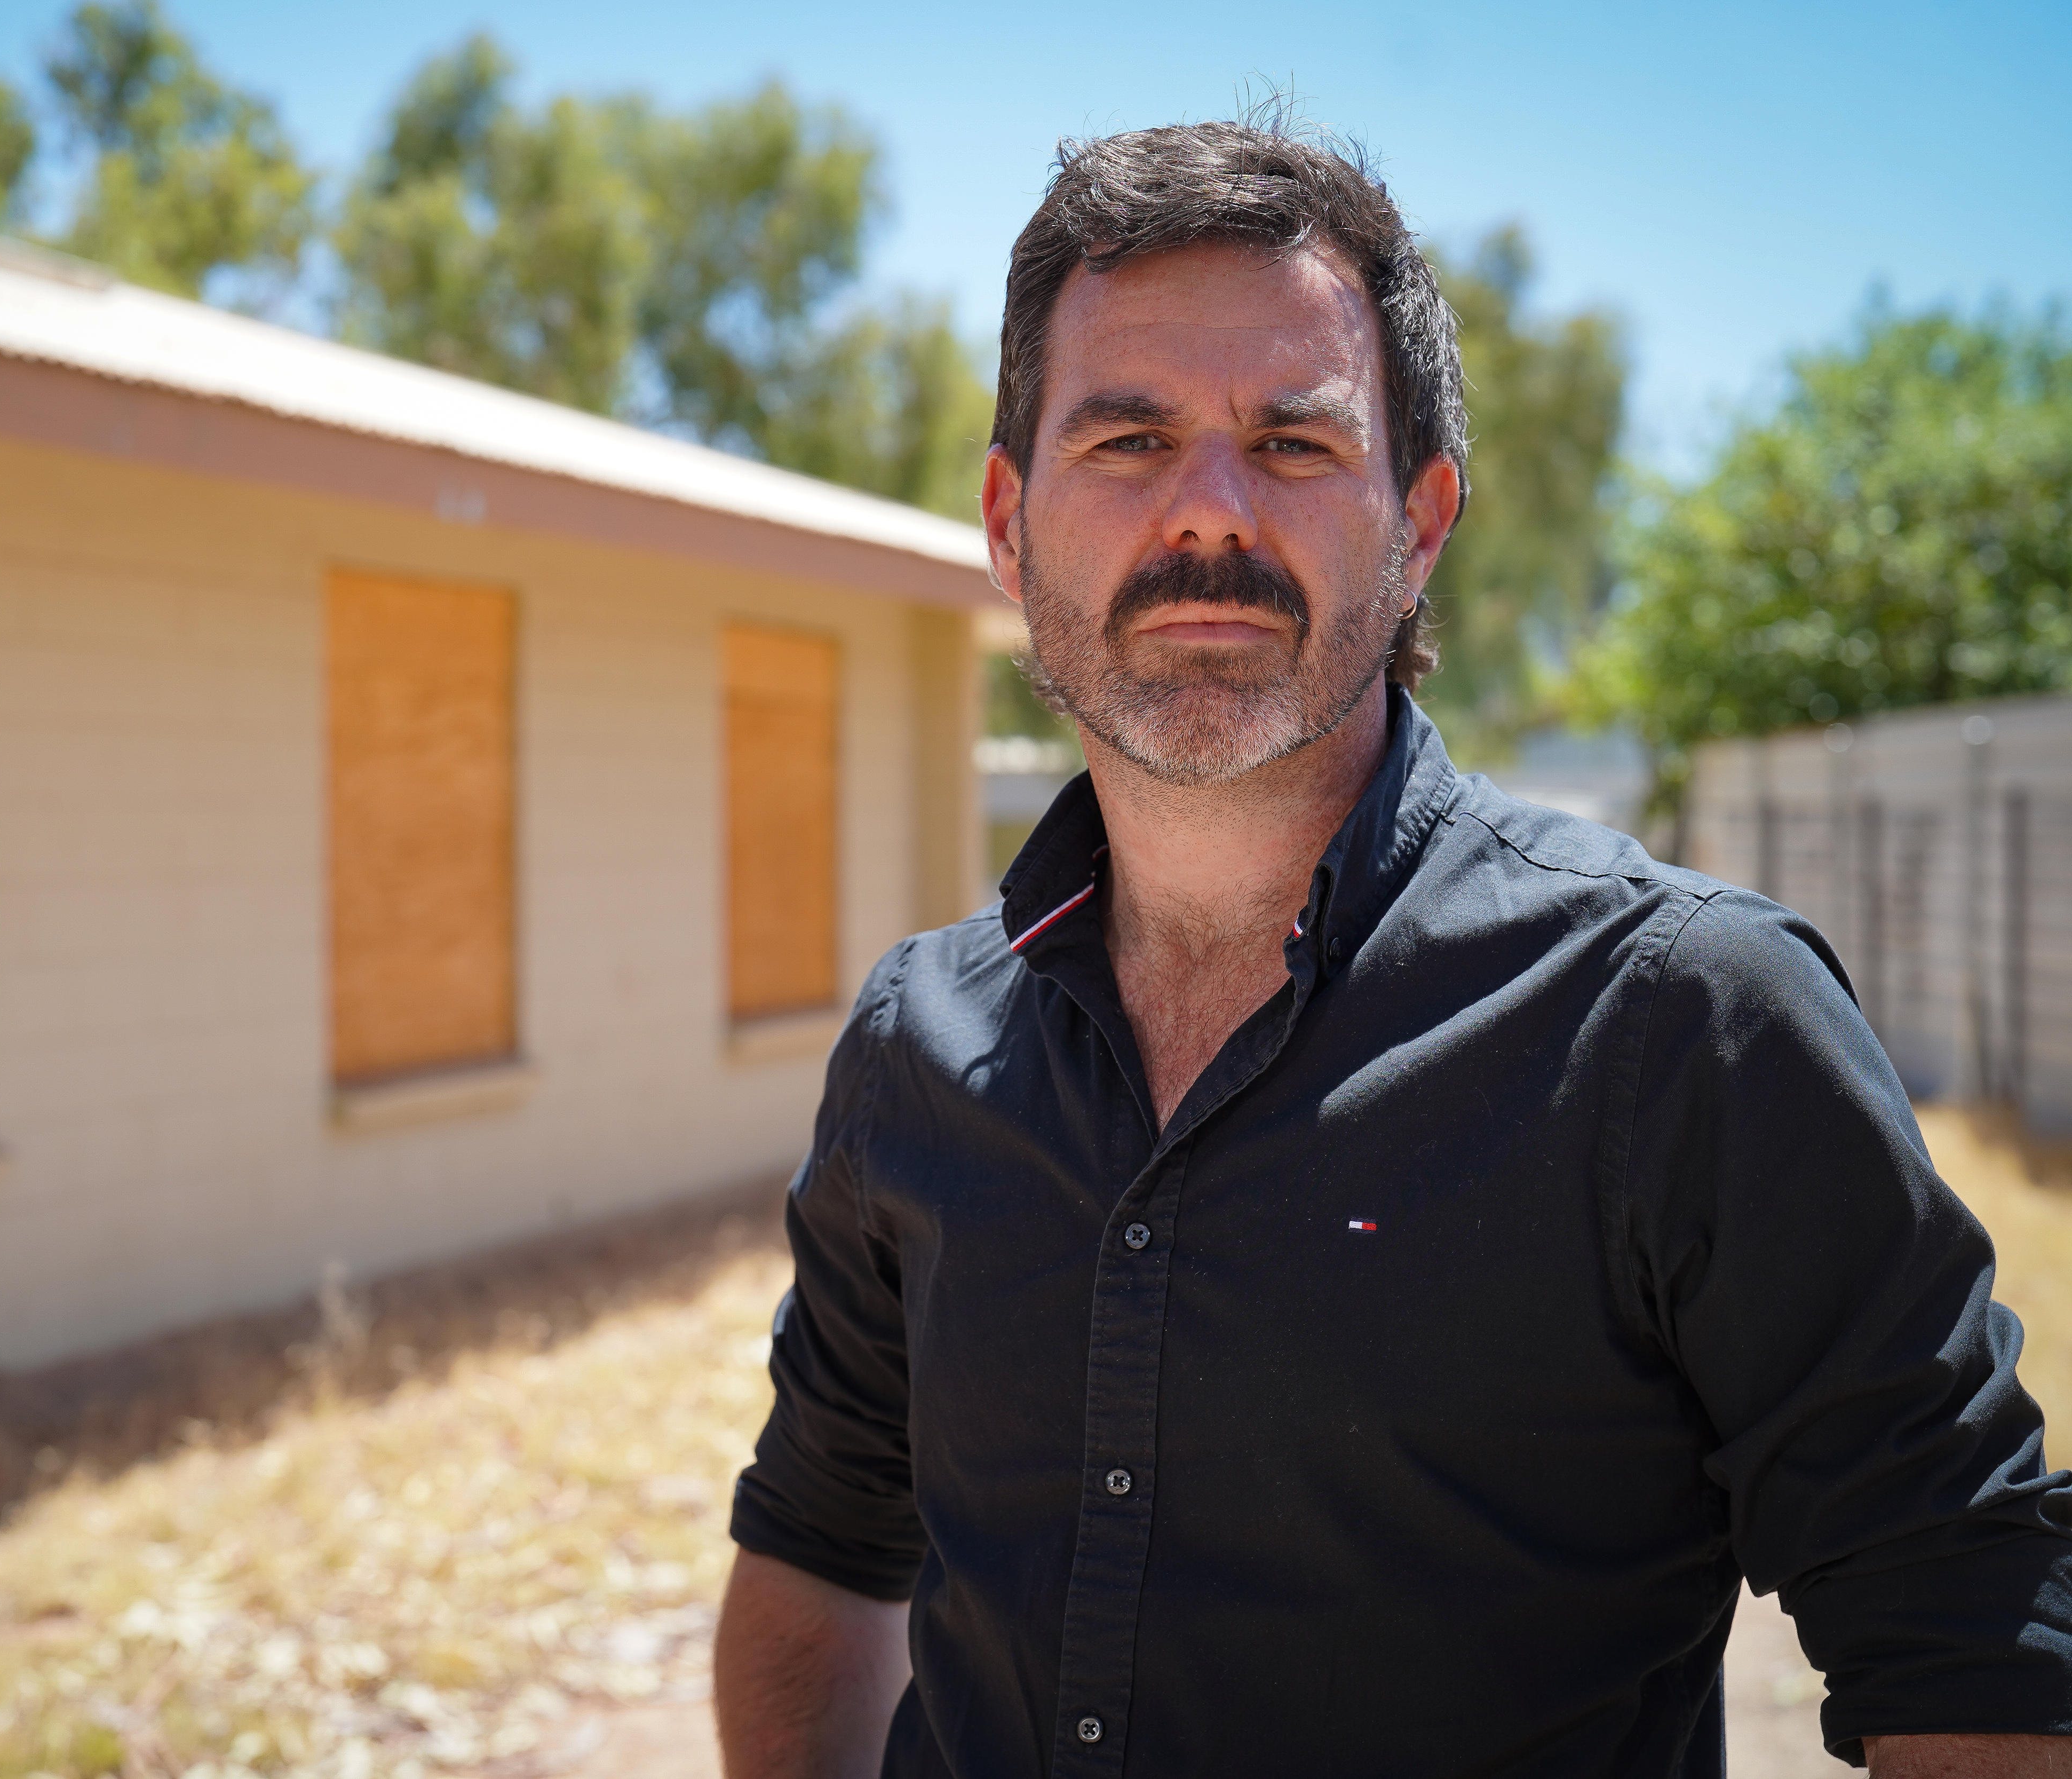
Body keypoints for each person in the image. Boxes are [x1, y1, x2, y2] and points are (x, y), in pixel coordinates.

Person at [712, 117, 2072, 1778]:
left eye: (1293, 442)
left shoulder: (1685, 1028)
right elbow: (818, 1549)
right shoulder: (914, 1042)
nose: (1207, 516)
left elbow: (1974, 1648)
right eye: (1128, 439)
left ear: (1421, 522)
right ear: (1009, 524)